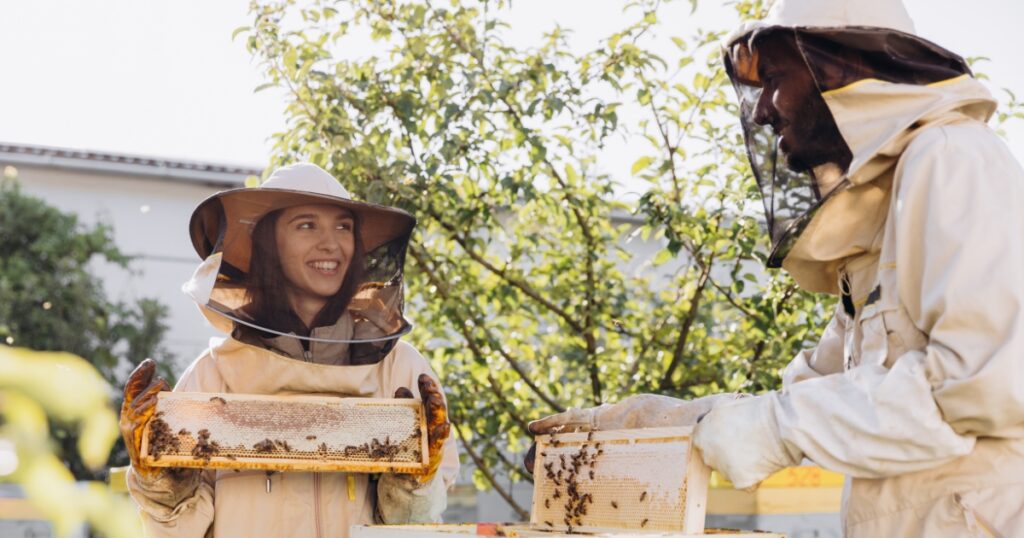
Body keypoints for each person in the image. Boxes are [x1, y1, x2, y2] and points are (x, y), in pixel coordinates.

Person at [529, 0, 1024, 535]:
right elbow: (812, 395)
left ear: (833, 68)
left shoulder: (952, 158)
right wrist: (651, 424)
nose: (762, 109)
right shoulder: (881, 235)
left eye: (775, 80)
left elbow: (991, 384)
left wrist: (768, 428)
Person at [119, 163, 459, 537]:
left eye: (343, 227)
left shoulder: (401, 370)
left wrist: (411, 484)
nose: (331, 243)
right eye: (306, 225)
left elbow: (416, 529)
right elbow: (174, 532)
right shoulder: (212, 375)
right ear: (268, 246)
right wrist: (164, 484)